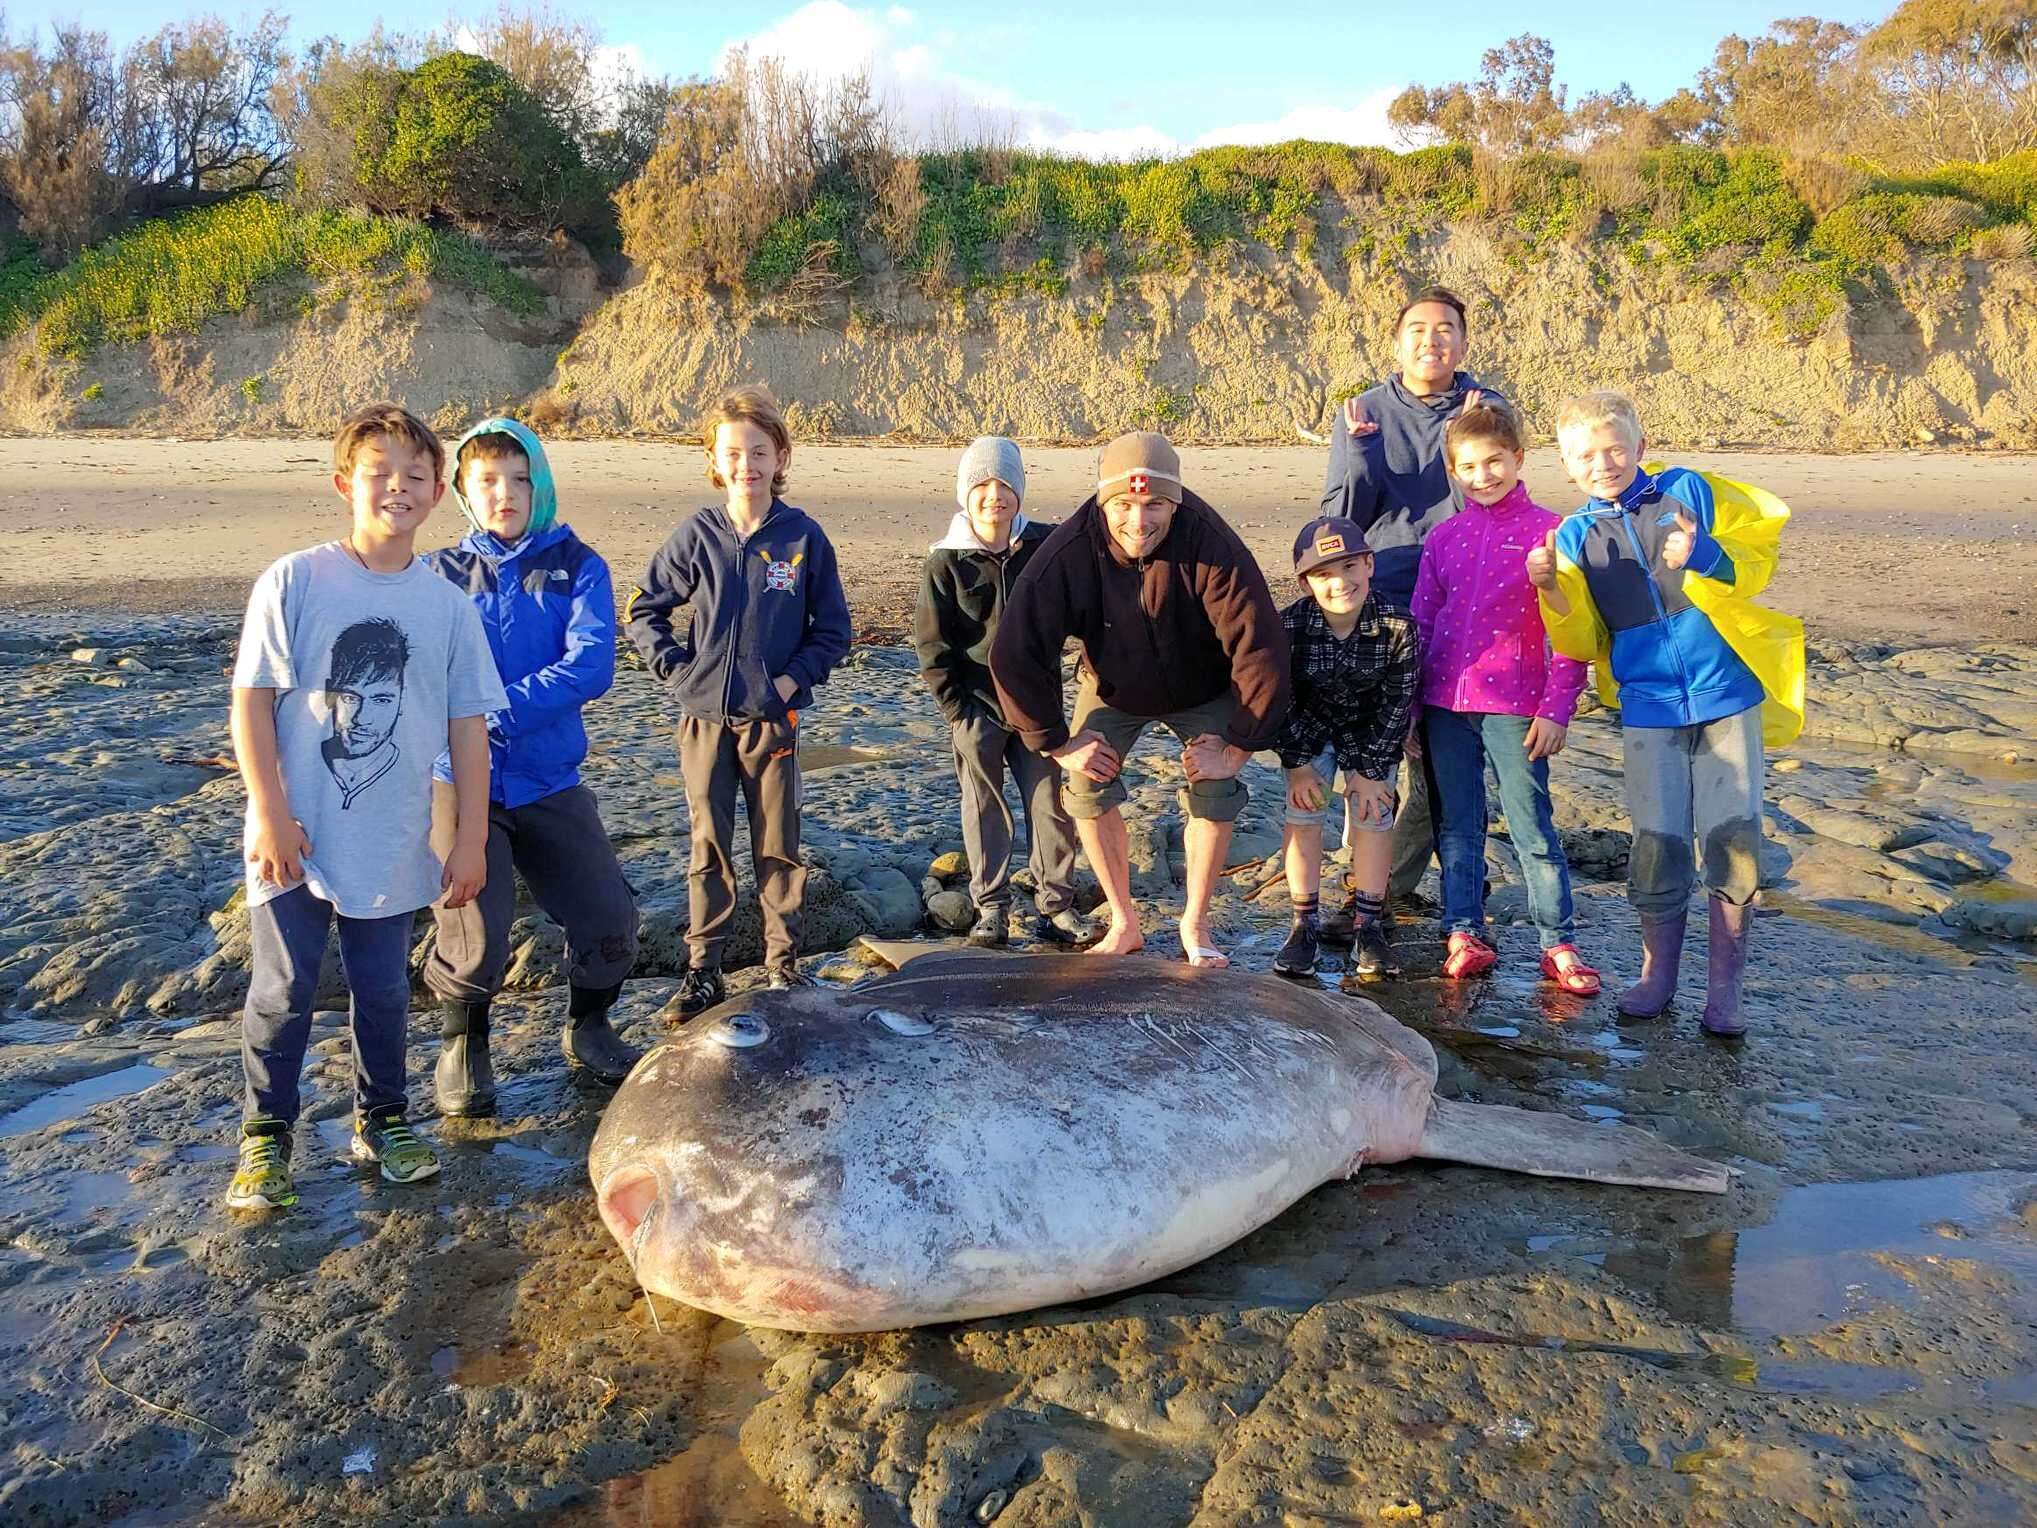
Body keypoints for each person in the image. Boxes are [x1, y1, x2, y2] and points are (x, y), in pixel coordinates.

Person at [226, 403, 507, 1211]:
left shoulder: (447, 606)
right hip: (295, 837)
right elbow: (251, 704)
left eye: (416, 475)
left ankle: (381, 1118)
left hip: (392, 838)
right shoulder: (297, 579)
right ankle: (265, 1137)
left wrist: (471, 841)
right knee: (282, 989)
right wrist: (272, 813)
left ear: (437, 491)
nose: (398, 488)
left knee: (384, 990)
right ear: (346, 482)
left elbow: (466, 728)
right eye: (380, 473)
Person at [1529, 390, 1804, 1037]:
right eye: (1586, 456)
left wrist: (1703, 552)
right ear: (1568, 466)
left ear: (1639, 447)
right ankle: (1657, 976)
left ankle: (1724, 993)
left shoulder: (1691, 491)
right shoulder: (1572, 536)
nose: (1603, 463)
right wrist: (1546, 586)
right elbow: (1577, 639)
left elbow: (1754, 557)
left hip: (1727, 696)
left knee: (1733, 841)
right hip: (1647, 708)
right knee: (1657, 845)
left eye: (1614, 449)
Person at [990, 432, 1290, 967]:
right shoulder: (1070, 549)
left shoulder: (1211, 544)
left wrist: (1240, 744)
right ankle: (1124, 921)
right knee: (1084, 784)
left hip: (1204, 685)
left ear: (1175, 501)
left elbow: (1260, 644)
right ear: (1104, 501)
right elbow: (1015, 649)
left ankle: (1195, 924)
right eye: (1124, 505)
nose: (1138, 520)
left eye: (1155, 505)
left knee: (1216, 783)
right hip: (1114, 685)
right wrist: (1058, 743)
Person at [422, 418, 641, 1118]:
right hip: (458, 784)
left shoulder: (579, 564)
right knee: (473, 929)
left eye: (520, 479)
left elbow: (591, 664)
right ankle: (465, 1043)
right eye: (486, 480)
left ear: (540, 486)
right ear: (462, 490)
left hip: (548, 779)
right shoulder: (436, 576)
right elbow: (418, 671)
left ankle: (590, 1024)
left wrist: (495, 711)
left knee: (609, 914)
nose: (505, 493)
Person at [625, 385, 852, 1018]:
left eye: (759, 451)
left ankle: (783, 967)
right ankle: (704, 972)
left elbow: (833, 630)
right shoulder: (696, 534)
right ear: (716, 461)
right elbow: (645, 610)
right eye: (734, 452)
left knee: (778, 845)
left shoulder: (802, 537)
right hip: (702, 723)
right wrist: (677, 673)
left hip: (772, 723)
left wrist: (789, 684)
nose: (746, 464)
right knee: (710, 847)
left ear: (781, 458)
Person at [1320, 286, 1507, 931]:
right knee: (1378, 751)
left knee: (1444, 754)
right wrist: (1362, 454)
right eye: (1419, 330)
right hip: (1389, 596)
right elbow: (1342, 523)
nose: (1432, 342)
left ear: (1464, 340)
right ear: (1397, 341)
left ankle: (1421, 885)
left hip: (1468, 602)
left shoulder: (1487, 409)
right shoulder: (1365, 410)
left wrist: (1463, 447)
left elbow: (1494, 510)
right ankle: (1368, 885)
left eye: (1446, 330)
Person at [1413, 399, 1596, 990]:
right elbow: (1421, 624)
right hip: (1445, 705)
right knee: (1458, 825)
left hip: (1518, 707)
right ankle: (1463, 930)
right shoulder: (1443, 538)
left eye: (1495, 461)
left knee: (1531, 825)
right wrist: (1410, 711)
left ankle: (1557, 942)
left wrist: (1557, 707)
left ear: (1519, 459)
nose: (1483, 475)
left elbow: (1572, 633)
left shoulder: (1551, 532)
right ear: (1453, 472)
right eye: (1469, 467)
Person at [913, 437, 1095, 948]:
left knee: (1052, 806)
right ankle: (990, 908)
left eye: (1005, 485)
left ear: (1019, 492)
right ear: (965, 495)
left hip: (1039, 711)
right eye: (983, 486)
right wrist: (958, 711)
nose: (995, 496)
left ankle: (1056, 907)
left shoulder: (1047, 546)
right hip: (977, 710)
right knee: (985, 809)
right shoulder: (946, 562)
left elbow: (1087, 605)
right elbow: (932, 645)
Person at [1271, 518, 1419, 984]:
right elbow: (1277, 697)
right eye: (1324, 574)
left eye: (1350, 566)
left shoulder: (1398, 626)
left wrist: (1373, 769)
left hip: (1370, 731)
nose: (1340, 582)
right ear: (1304, 582)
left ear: (1369, 564)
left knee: (1374, 814)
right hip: (1309, 730)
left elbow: (1398, 700)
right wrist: (1296, 765)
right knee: (1304, 814)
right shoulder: (1289, 625)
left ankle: (1369, 923)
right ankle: (1303, 923)